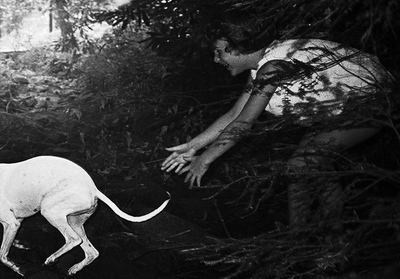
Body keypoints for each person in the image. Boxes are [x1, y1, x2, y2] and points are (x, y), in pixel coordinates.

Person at [161, 14, 392, 228]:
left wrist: (206, 160)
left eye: (219, 52)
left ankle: (311, 241)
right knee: (306, 167)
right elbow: (234, 115)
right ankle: (320, 237)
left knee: (301, 165)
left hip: (374, 99)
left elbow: (243, 124)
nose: (215, 59)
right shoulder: (265, 65)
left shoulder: (273, 67)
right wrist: (193, 146)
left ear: (238, 47)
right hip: (344, 108)